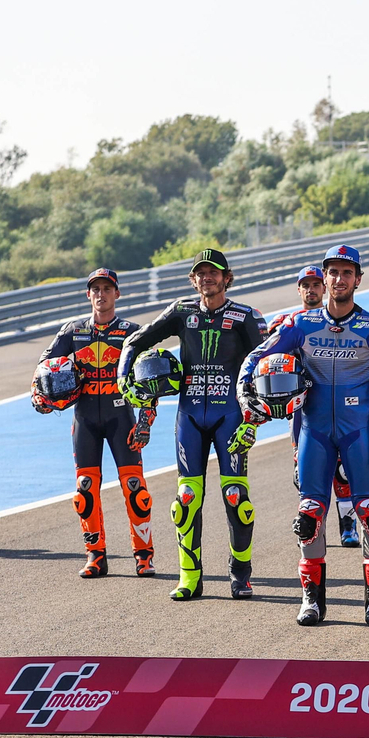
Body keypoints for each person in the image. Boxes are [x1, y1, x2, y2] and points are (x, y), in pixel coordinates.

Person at [241, 244, 369, 626]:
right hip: (313, 432)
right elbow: (254, 360)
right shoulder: (299, 324)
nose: (338, 279)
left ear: (358, 280)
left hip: (360, 433)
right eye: (332, 272)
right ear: (324, 277)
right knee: (309, 516)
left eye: (346, 273)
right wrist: (245, 395)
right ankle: (312, 600)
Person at [120, 248, 266, 601]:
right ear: (193, 279)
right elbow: (134, 341)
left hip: (231, 417)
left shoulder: (245, 316)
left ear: (226, 277)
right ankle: (190, 577)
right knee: (185, 499)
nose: (207, 278)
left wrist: (254, 421)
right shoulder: (181, 312)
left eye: (214, 272)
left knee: (236, 497)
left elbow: (264, 365)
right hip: (188, 417)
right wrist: (125, 380)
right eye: (200, 273)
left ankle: (240, 575)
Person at [33, 268, 155, 578]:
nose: (101, 294)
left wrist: (146, 421)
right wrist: (39, 397)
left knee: (134, 487)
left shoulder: (132, 332)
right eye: (95, 289)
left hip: (121, 418)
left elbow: (153, 378)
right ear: (88, 295)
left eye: (107, 288)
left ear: (117, 293)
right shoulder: (72, 332)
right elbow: (42, 369)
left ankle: (144, 555)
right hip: (84, 419)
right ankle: (96, 555)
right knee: (84, 489)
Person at [268, 265, 361, 549]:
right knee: (305, 471)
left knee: (343, 472)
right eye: (305, 285)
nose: (311, 290)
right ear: (298, 290)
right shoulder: (287, 322)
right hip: (301, 408)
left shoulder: (343, 320)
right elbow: (267, 359)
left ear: (324, 287)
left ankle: (348, 524)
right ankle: (312, 526)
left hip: (337, 402)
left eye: (315, 284)